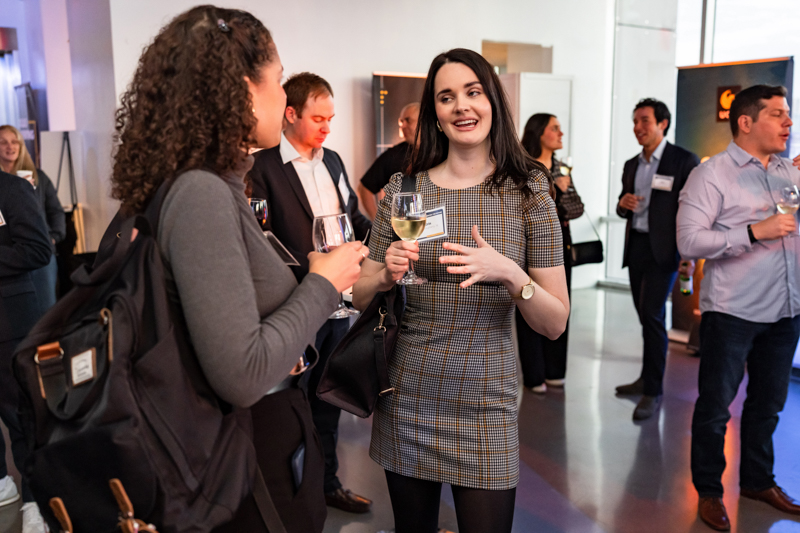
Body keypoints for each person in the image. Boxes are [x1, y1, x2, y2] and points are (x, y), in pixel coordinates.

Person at [109, 7, 365, 532]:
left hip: (246, 452)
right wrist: (321, 284)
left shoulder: (214, 182)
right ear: (242, 89)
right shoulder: (201, 192)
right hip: (240, 466)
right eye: (276, 80)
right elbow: (243, 373)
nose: (283, 96)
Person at [352, 48, 569, 533]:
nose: (461, 107)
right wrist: (384, 275)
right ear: (435, 113)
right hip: (407, 395)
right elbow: (360, 295)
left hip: (487, 401)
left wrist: (513, 275)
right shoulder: (405, 189)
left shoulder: (529, 189)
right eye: (446, 97)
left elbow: (554, 323)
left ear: (493, 99)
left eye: (472, 92)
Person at [248, 72, 373, 514]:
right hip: (296, 303)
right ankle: (291, 491)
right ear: (290, 113)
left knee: (329, 396)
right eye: (317, 117)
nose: (326, 126)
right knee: (291, 403)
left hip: (341, 302)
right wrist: (314, 274)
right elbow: (261, 240)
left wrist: (379, 249)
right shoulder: (261, 167)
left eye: (330, 118)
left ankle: (327, 483)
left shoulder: (333, 161)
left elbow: (353, 217)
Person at [677, 84, 800, 531]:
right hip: (732, 313)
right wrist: (753, 231)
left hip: (786, 311)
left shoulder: (789, 171)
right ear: (746, 122)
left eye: (789, 114)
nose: (789, 122)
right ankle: (709, 491)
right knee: (715, 408)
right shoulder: (711, 176)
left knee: (768, 405)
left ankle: (757, 481)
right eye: (777, 114)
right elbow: (688, 241)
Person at [615, 98, 700, 420]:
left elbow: (693, 211)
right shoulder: (631, 165)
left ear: (663, 124)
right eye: (635, 121)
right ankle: (646, 378)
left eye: (645, 121)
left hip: (665, 251)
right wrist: (623, 204)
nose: (638, 128)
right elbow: (621, 208)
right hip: (636, 246)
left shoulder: (683, 161)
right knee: (644, 315)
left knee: (651, 314)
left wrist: (688, 255)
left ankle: (653, 390)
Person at [515, 113, 583, 393]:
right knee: (528, 303)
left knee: (558, 305)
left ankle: (555, 371)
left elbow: (577, 207)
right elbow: (516, 210)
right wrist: (554, 195)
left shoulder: (562, 168)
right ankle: (534, 375)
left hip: (559, 245)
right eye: (555, 128)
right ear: (540, 132)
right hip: (524, 246)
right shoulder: (521, 167)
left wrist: (558, 199)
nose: (561, 134)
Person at [0, 170, 52, 533]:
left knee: (22, 416)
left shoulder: (13, 189)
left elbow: (38, 249)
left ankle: (36, 500)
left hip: (10, 322)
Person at [0, 125, 65, 313]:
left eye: (14, 142)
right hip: (8, 262)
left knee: (45, 309)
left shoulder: (38, 177)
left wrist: (54, 237)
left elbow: (56, 212)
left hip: (36, 253)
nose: (9, 147)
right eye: (3, 142)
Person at [358, 102, 420, 219]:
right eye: (401, 122)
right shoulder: (394, 154)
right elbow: (364, 188)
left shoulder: (443, 151)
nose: (403, 126)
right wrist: (378, 221)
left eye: (408, 120)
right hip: (405, 230)